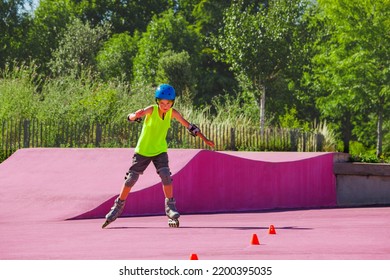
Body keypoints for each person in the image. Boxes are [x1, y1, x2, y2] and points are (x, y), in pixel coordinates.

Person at [102, 84, 215, 228]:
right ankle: (117, 207)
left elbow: (190, 126)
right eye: (162, 103)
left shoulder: (173, 113)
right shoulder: (152, 109)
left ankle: (171, 208)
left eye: (168, 103)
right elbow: (132, 116)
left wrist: (205, 139)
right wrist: (135, 116)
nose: (165, 106)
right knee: (131, 179)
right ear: (157, 101)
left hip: (160, 151)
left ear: (172, 103)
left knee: (166, 175)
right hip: (143, 150)